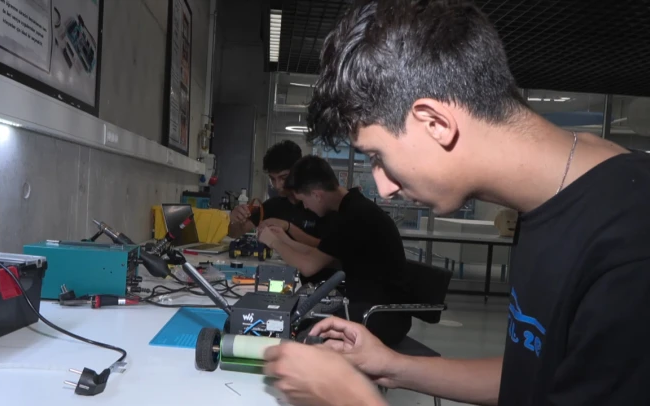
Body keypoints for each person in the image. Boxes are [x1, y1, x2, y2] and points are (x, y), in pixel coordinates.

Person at [262, 1, 650, 405]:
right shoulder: (548, 199)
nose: (384, 188)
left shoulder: (631, 246)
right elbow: (536, 373)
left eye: (378, 157)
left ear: (436, 123)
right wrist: (390, 365)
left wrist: (349, 399)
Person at [258, 155, 413, 346]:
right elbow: (316, 254)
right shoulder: (352, 207)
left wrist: (274, 242)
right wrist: (283, 238)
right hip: (372, 307)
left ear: (317, 195)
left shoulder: (352, 217)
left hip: (379, 316)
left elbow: (308, 266)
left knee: (299, 330)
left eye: (304, 201)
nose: (305, 207)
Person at [227, 140, 329, 247]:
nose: (277, 186)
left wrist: (288, 227)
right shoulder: (272, 206)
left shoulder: (318, 205)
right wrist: (235, 220)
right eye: (272, 179)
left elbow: (326, 248)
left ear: (298, 171)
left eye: (283, 178)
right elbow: (235, 234)